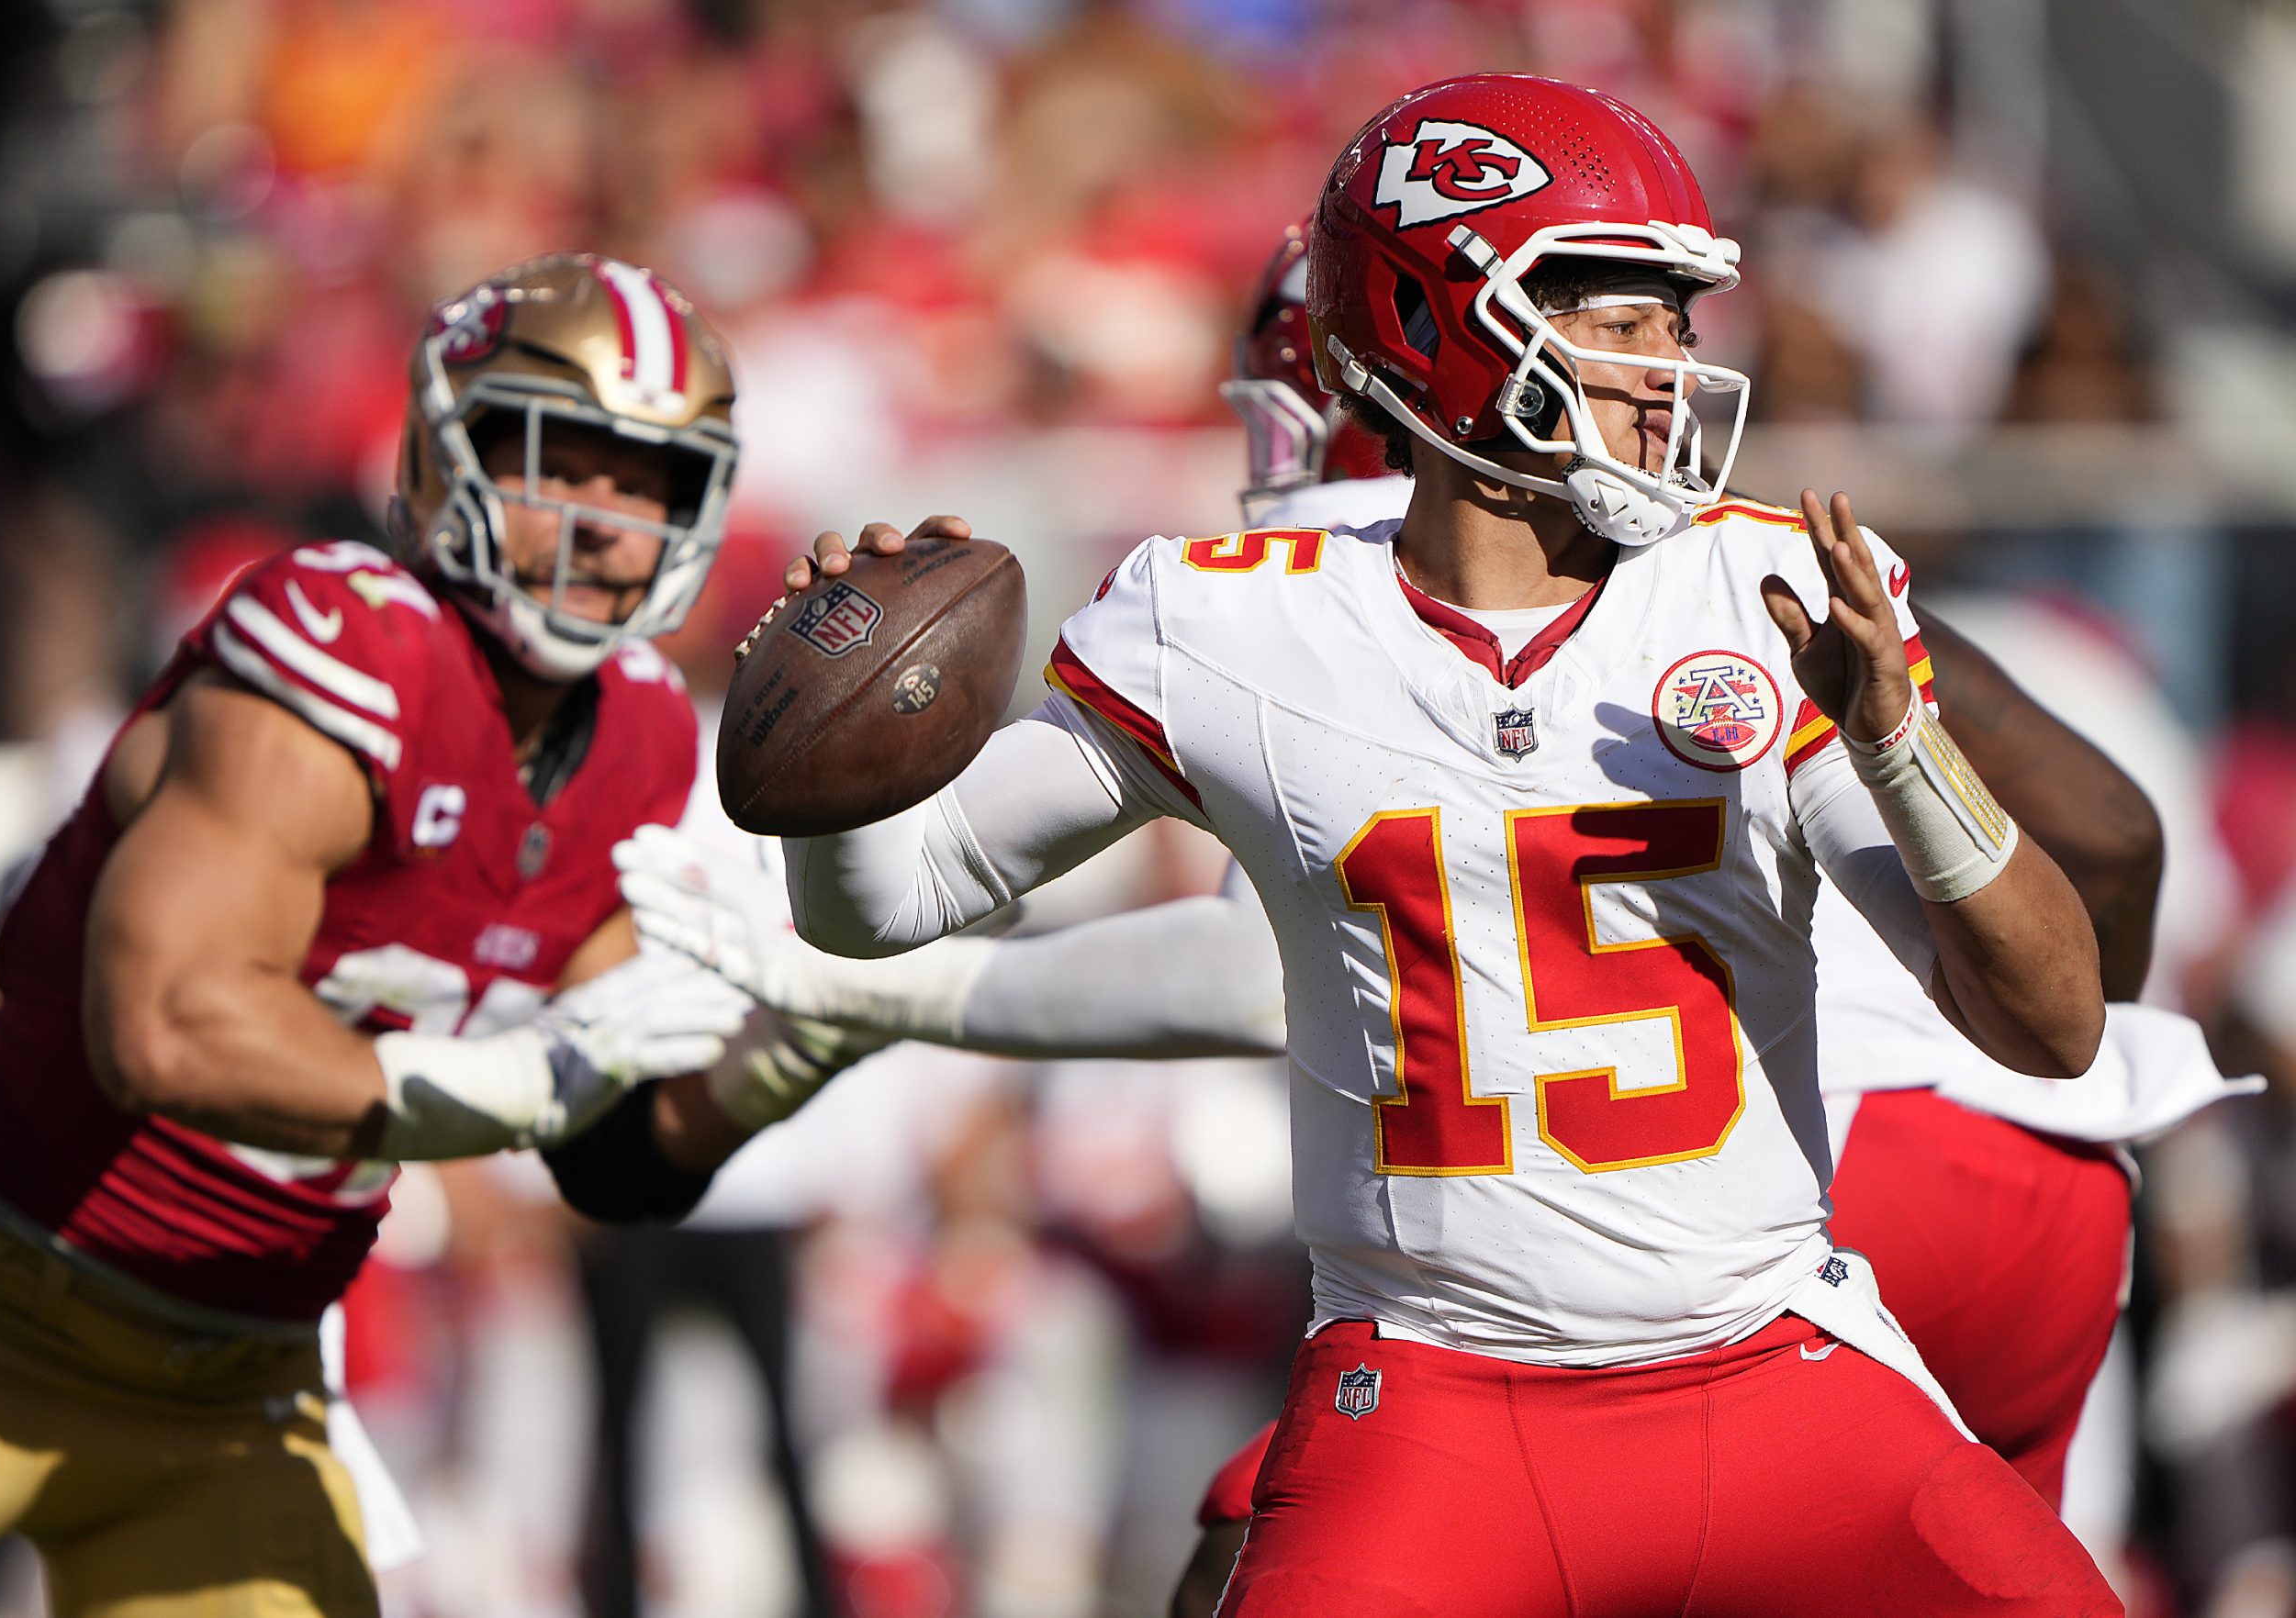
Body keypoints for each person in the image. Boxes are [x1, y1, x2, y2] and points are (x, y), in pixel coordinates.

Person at [719, 74, 2125, 1615]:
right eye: (1624, 319)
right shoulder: (1229, 616)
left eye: (1678, 323)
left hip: (1773, 1365)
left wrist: (1899, 745)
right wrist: (824, 748)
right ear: (1442, 326)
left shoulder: (1758, 591)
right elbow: (891, 902)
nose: (1672, 370)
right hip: (1439, 1404)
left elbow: (2053, 1026)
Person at [0, 252, 790, 1618]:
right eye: (560, 460)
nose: (606, 520)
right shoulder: (346, 642)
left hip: (239, 1382)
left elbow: (617, 1158)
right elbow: (166, 1028)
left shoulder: (639, 734)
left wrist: (785, 1055)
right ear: (447, 450)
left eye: (649, 482)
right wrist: (509, 1087)